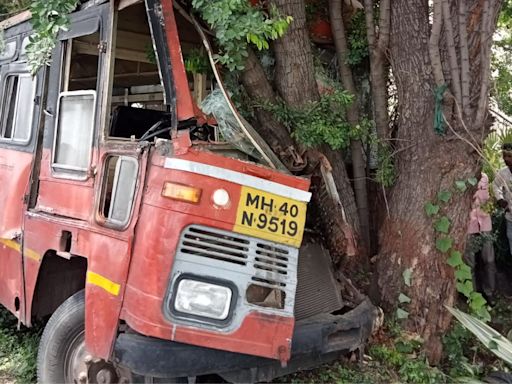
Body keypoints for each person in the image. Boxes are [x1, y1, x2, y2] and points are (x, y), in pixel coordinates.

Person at [466, 172, 496, 302]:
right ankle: (471, 295)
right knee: (470, 263)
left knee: (489, 260)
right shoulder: (460, 176)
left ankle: (489, 292)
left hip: (485, 223)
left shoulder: (484, 177)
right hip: (468, 224)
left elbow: (488, 199)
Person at [493, 142, 512, 256]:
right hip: (510, 217)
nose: (506, 158)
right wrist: (500, 199)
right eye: (504, 156)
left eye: (509, 156)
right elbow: (495, 185)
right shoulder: (503, 173)